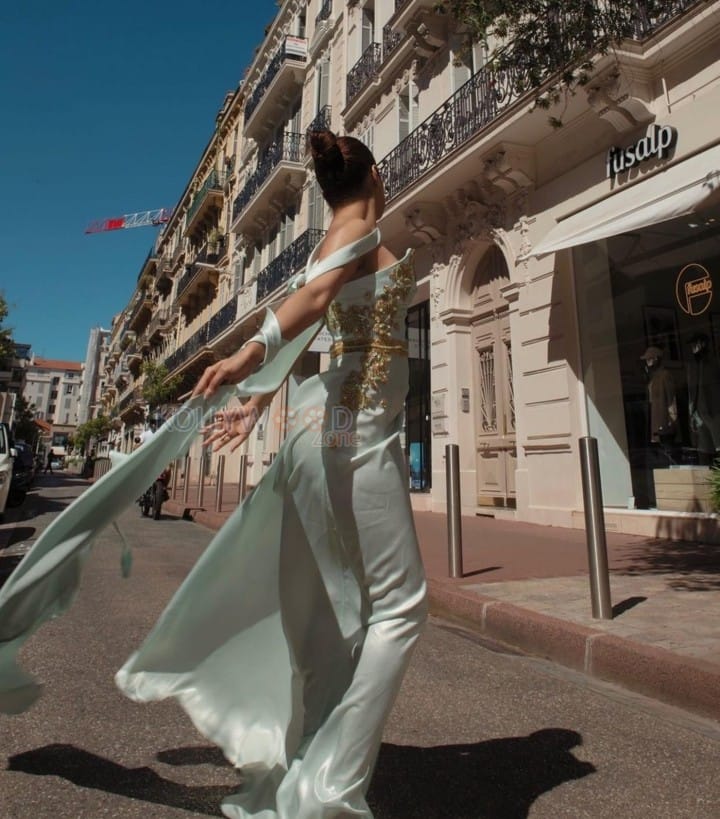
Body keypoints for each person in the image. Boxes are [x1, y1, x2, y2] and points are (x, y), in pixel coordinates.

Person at [0, 130, 428, 819]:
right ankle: (334, 794)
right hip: (356, 431)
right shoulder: (357, 231)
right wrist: (247, 355)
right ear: (374, 174)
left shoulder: (336, 239)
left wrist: (257, 394)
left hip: (324, 431)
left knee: (333, 616)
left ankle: (307, 756)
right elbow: (312, 305)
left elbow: (323, 315)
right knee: (402, 606)